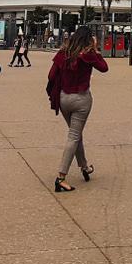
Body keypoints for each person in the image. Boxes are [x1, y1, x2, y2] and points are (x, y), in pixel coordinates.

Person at [48, 26, 109, 192]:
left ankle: (84, 166)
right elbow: (104, 67)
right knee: (74, 136)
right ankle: (61, 177)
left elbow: (51, 75)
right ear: (89, 39)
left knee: (76, 134)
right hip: (81, 99)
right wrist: (95, 49)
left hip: (63, 99)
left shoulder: (63, 53)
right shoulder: (88, 55)